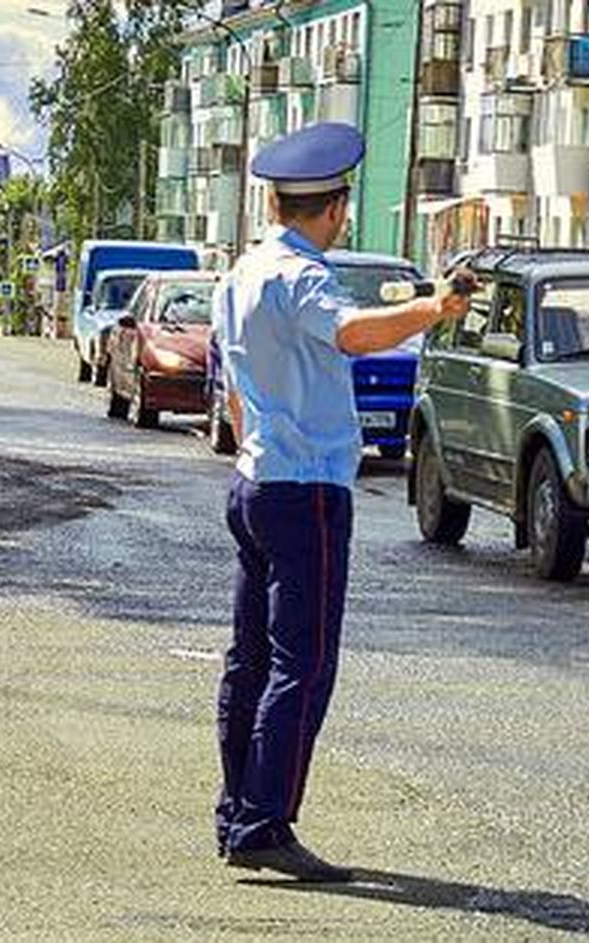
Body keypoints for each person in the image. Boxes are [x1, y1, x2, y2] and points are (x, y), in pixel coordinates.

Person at [212, 122, 470, 882]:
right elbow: (354, 334)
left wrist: (253, 446)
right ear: (334, 209)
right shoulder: (302, 277)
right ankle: (265, 822)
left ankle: (237, 810)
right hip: (308, 492)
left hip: (256, 480)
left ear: (275, 200)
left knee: (249, 660)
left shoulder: (241, 273)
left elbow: (232, 388)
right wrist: (433, 307)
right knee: (304, 662)